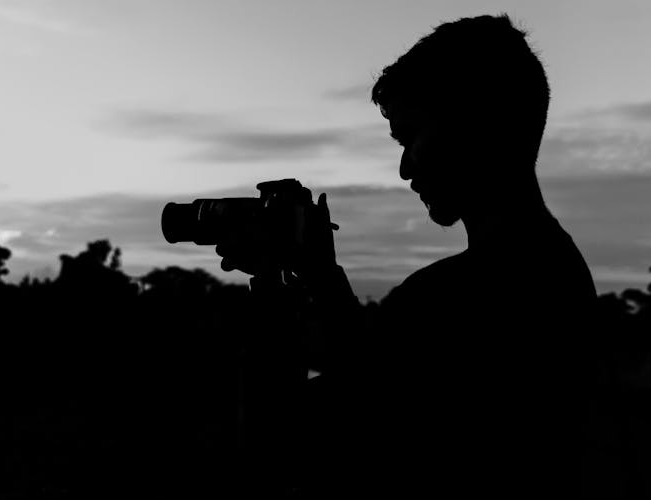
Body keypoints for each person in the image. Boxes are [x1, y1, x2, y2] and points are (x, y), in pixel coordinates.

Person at [217, 14, 601, 498]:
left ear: (474, 121)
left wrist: (271, 289)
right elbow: (380, 377)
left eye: (410, 136)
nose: (403, 169)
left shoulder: (450, 298)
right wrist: (322, 277)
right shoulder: (556, 269)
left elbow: (282, 444)